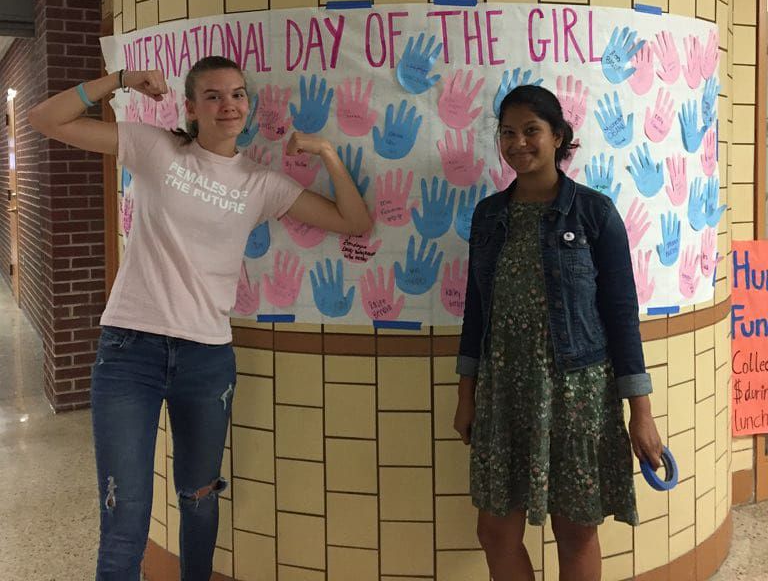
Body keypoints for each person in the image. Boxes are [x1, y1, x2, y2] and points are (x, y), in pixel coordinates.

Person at [28, 56, 371, 581]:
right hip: (129, 352)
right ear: (190, 106)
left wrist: (326, 151)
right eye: (212, 96)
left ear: (248, 104)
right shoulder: (155, 148)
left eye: (237, 94)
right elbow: (46, 120)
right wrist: (118, 80)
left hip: (207, 359)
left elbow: (354, 221)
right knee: (126, 515)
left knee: (199, 499)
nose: (228, 105)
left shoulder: (262, 184)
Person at [453, 84, 662, 581]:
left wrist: (642, 414)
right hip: (504, 394)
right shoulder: (488, 216)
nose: (518, 143)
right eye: (507, 133)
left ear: (559, 137)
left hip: (576, 394)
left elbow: (621, 315)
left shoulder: (594, 212)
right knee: (495, 531)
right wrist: (468, 396)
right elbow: (475, 313)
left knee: (576, 531)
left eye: (531, 131)